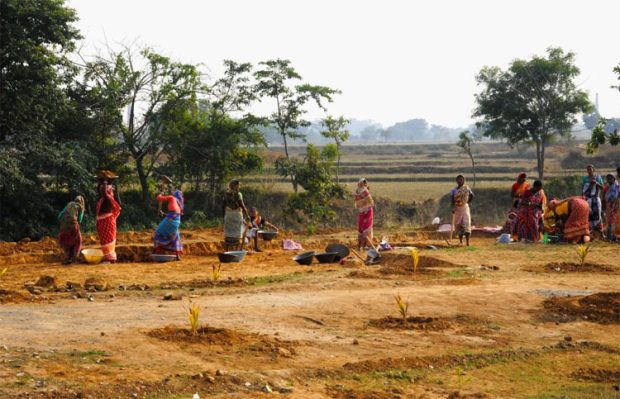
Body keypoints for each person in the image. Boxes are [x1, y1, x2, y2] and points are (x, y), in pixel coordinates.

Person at [153, 176, 184, 260]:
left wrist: (162, 192)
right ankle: (177, 255)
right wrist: (164, 214)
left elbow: (158, 198)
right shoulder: (178, 205)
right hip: (176, 221)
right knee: (175, 235)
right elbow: (174, 214)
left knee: (157, 232)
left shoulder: (171, 197)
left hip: (171, 219)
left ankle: (158, 251)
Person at [96, 171, 121, 263]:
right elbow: (100, 191)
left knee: (108, 239)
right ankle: (110, 258)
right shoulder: (105, 196)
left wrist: (105, 181)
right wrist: (102, 183)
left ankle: (109, 258)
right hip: (104, 220)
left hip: (107, 220)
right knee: (105, 240)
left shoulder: (108, 196)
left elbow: (104, 193)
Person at [58, 196, 85, 264]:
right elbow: (79, 220)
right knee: (78, 240)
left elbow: (60, 216)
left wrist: (64, 223)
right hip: (73, 225)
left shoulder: (69, 204)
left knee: (67, 241)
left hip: (64, 226)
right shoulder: (80, 207)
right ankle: (74, 257)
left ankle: (67, 258)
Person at [222, 179, 249, 250]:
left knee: (228, 234)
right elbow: (242, 206)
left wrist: (224, 216)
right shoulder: (238, 194)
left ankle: (227, 250)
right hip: (237, 215)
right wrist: (247, 215)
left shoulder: (226, 194)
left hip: (228, 215)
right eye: (239, 185)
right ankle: (236, 250)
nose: (239, 186)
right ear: (237, 186)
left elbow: (223, 206)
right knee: (237, 234)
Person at [355, 178, 378, 253]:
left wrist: (364, 205)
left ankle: (366, 245)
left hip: (367, 212)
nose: (362, 185)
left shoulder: (365, 191)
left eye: (364, 183)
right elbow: (357, 203)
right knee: (361, 228)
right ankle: (361, 246)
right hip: (361, 212)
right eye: (361, 183)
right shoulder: (358, 191)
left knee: (366, 227)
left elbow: (370, 202)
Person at [450, 175, 474, 246]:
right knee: (458, 224)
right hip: (457, 209)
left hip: (465, 208)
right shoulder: (453, 190)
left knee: (466, 223)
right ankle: (461, 241)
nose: (460, 181)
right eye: (458, 180)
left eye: (461, 180)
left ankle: (467, 242)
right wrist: (453, 208)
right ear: (456, 181)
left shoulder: (467, 188)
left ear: (464, 180)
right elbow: (452, 200)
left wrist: (467, 202)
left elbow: (472, 195)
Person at [582, 164, 604, 235]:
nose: (589, 171)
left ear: (593, 170)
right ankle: (591, 232)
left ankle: (600, 232)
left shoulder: (598, 177)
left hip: (596, 199)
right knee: (589, 215)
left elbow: (602, 188)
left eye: (590, 169)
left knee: (598, 214)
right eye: (588, 170)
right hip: (588, 199)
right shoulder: (585, 179)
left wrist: (596, 183)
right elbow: (583, 190)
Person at [602, 174, 619, 241]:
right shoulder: (607, 187)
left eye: (610, 178)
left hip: (615, 205)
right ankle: (610, 237)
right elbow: (603, 197)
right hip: (608, 205)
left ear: (614, 179)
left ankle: (614, 237)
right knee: (609, 221)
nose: (608, 180)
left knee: (614, 221)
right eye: (607, 178)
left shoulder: (617, 186)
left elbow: (617, 196)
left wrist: (615, 204)